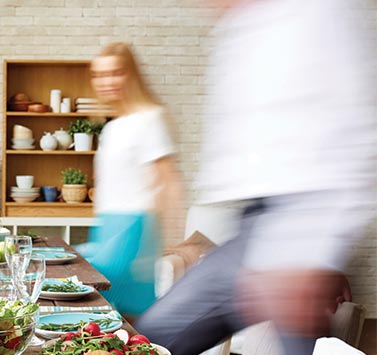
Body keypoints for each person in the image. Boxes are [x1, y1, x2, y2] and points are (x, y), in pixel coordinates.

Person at [134, 1, 375, 354]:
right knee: (153, 337)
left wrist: (309, 254)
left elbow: (355, 136)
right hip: (253, 228)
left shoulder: (314, 14)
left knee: (154, 338)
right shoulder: (241, 30)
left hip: (293, 226)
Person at [76, 42, 183, 317]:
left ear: (131, 75)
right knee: (121, 317)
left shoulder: (150, 119)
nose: (106, 82)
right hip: (106, 227)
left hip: (134, 230)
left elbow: (168, 182)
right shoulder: (112, 127)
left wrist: (166, 241)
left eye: (115, 72)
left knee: (94, 297)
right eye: (98, 75)